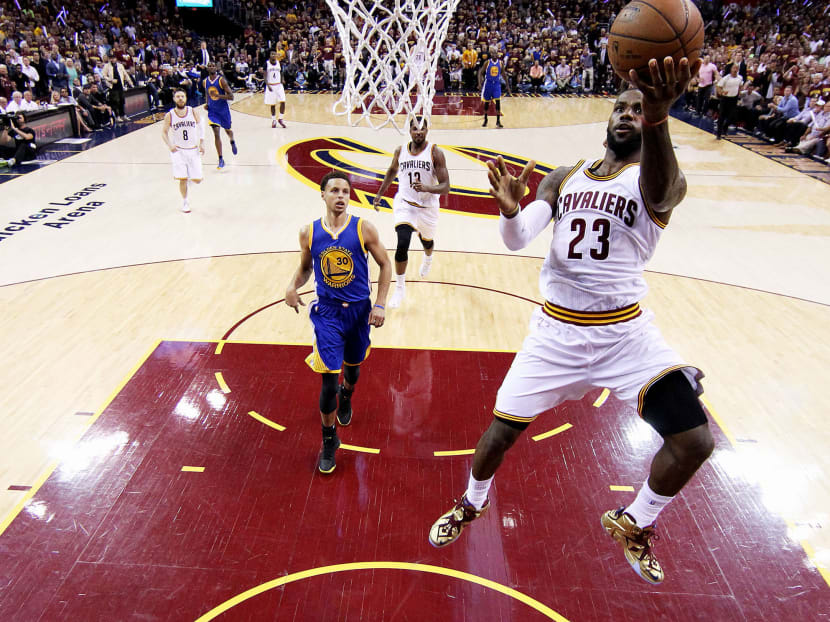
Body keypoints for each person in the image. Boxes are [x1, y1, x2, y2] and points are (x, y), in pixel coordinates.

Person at [428, 57, 715, 587]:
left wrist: (659, 114)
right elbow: (518, 239)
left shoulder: (660, 181)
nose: (627, 114)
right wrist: (510, 212)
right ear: (607, 118)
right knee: (497, 436)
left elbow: (660, 189)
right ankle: (471, 502)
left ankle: (635, 522)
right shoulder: (566, 176)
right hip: (555, 335)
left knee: (695, 441)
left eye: (638, 109)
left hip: (626, 336)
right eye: (621, 107)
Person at [284, 171, 392, 474]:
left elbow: (385, 264)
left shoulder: (363, 228)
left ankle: (348, 394)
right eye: (334, 190)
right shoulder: (309, 232)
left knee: (352, 371)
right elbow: (305, 268)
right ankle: (329, 440)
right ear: (323, 194)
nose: (341, 196)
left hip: (359, 312)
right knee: (328, 380)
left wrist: (380, 303)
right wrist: (292, 286)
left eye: (345, 191)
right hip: (328, 313)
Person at [372, 117, 450, 308]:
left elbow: (446, 186)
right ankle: (400, 288)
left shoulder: (435, 152)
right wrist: (379, 194)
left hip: (427, 207)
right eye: (415, 129)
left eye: (422, 129)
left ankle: (428, 258)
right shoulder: (400, 151)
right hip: (405, 204)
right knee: (402, 243)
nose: (419, 132)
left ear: (427, 131)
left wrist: (426, 188)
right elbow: (391, 171)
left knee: (427, 241)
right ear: (409, 131)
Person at [161, 88, 205, 213]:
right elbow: (164, 132)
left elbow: (201, 127)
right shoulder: (170, 115)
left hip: (193, 149)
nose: (180, 98)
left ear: (186, 98)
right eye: (178, 96)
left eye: (182, 96)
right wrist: (170, 145)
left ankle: (191, 176)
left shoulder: (193, 111)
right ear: (174, 99)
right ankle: (185, 202)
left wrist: (202, 142)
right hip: (178, 151)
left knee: (197, 180)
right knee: (182, 178)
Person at [203, 62, 237, 170]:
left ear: (216, 68)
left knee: (228, 130)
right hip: (213, 111)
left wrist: (219, 96)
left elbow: (231, 97)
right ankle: (221, 158)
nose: (211, 67)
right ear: (207, 68)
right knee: (216, 133)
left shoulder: (221, 80)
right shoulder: (205, 81)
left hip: (223, 110)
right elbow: (207, 93)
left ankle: (232, 140)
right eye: (209, 66)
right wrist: (207, 104)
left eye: (213, 66)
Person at [715, 62, 743, 139]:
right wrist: (721, 92)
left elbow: (740, 85)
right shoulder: (726, 78)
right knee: (722, 116)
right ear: (731, 69)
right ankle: (719, 134)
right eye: (734, 68)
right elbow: (718, 86)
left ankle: (725, 127)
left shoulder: (740, 78)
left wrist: (739, 92)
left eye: (737, 68)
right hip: (725, 99)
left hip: (734, 98)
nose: (736, 69)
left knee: (731, 116)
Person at [479, 53, 507, 128]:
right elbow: (481, 72)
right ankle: (485, 119)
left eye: (496, 54)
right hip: (488, 84)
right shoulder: (487, 62)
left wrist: (507, 84)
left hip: (496, 84)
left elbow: (503, 73)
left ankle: (498, 121)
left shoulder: (500, 63)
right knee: (486, 103)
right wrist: (480, 83)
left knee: (498, 102)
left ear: (497, 55)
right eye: (493, 54)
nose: (494, 55)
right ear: (491, 55)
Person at [102, 56, 134, 122]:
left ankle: (123, 115)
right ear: (109, 59)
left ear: (116, 59)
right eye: (111, 58)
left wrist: (130, 82)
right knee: (115, 102)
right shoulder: (106, 66)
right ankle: (117, 116)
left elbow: (125, 74)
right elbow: (104, 76)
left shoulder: (120, 65)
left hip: (120, 85)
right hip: (112, 86)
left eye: (114, 58)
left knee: (122, 101)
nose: (112, 59)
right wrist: (111, 80)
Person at [264, 50, 287, 128]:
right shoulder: (266, 64)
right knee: (273, 104)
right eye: (272, 54)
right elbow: (264, 76)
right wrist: (267, 85)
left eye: (275, 54)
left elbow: (281, 72)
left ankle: (280, 118)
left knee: (283, 101)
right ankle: (274, 120)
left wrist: (282, 79)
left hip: (279, 85)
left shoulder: (278, 63)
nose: (274, 55)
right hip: (271, 85)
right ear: (270, 55)